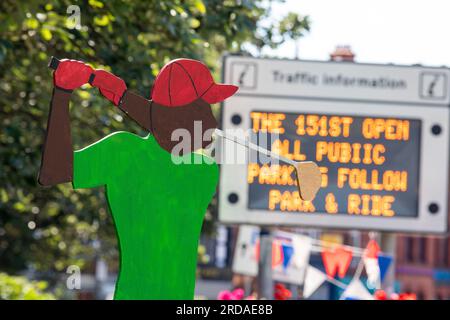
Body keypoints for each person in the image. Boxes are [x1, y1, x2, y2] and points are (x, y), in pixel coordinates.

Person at [38, 58, 238, 299]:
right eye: (202, 109)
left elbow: (54, 169)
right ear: (181, 115)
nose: (211, 122)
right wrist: (121, 96)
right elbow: (164, 128)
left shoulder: (125, 153)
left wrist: (63, 92)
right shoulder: (203, 169)